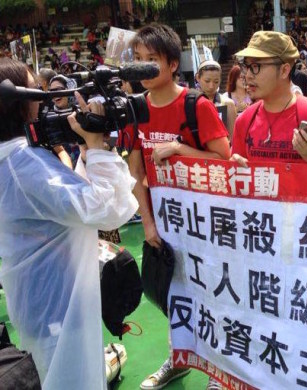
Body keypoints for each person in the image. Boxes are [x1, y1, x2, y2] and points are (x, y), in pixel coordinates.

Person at [0, 57, 138, 389]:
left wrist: (87, 153)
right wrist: (96, 146)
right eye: (35, 91)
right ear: (17, 103)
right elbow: (107, 209)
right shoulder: (23, 163)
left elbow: (63, 206)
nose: (42, 98)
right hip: (59, 309)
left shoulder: (14, 157)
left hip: (41, 302)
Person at [127, 23, 231, 390]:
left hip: (206, 222)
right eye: (137, 60)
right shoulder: (136, 109)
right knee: (176, 295)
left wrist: (181, 149)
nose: (141, 68)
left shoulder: (196, 105)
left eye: (150, 60)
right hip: (165, 223)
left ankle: (220, 371)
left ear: (173, 64)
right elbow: (137, 171)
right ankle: (179, 358)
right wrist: (148, 224)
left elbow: (225, 162)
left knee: (216, 294)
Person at [231, 30, 307, 167]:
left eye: (256, 66)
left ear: (284, 70)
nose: (248, 75)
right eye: (247, 67)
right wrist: (232, 167)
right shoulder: (244, 121)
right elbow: (236, 175)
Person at [195, 60, 237, 139]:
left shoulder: (228, 104)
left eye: (216, 81)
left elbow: (233, 137)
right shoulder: (190, 103)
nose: (211, 86)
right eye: (207, 81)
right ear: (198, 77)